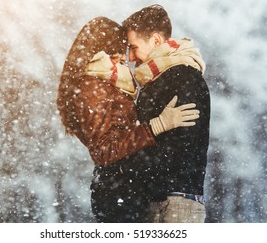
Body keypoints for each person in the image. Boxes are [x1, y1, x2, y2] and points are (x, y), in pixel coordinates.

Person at [56, 16, 200, 222]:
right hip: (117, 192)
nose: (126, 59)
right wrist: (157, 126)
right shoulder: (91, 88)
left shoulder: (105, 83)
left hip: (124, 189)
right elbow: (103, 150)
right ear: (103, 49)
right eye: (121, 52)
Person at [122, 4, 211, 223]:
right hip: (163, 199)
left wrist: (127, 167)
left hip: (174, 203)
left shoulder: (183, 77)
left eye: (134, 47)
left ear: (155, 41)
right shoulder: (159, 80)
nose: (131, 58)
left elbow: (181, 145)